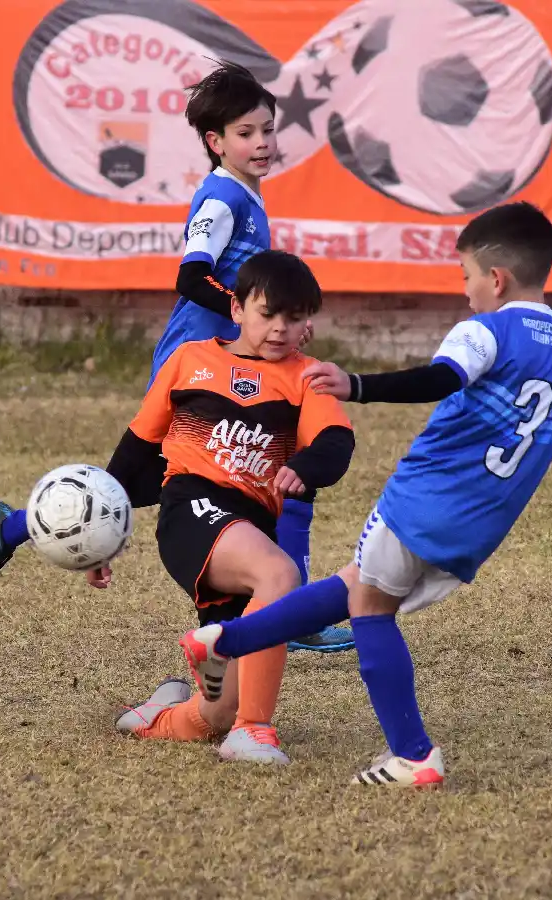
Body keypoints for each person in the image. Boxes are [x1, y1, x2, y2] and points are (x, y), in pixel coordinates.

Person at [177, 202, 552, 786]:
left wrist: (356, 385)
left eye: (466, 278)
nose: (466, 293)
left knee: (370, 607)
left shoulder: (486, 330)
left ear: (496, 280)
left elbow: (440, 378)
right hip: (483, 524)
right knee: (356, 584)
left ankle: (412, 754)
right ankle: (224, 641)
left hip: (424, 499)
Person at [0, 61, 353, 653]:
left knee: (271, 464)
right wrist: (245, 317)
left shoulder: (245, 193)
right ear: (216, 142)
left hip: (237, 355)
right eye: (246, 133)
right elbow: (192, 277)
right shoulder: (223, 198)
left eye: (268, 130)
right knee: (162, 479)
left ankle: (290, 610)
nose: (262, 143)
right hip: (201, 360)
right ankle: (12, 527)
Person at [105, 250, 355, 764]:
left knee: (213, 717)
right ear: (237, 308)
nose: (281, 328)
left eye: (295, 317)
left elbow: (335, 443)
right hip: (190, 509)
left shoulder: (306, 376)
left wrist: (307, 469)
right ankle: (255, 733)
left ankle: (165, 709)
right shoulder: (189, 361)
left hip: (248, 528)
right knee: (281, 575)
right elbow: (133, 454)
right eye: (269, 314)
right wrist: (102, 538)